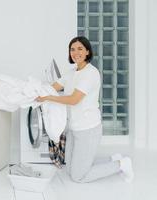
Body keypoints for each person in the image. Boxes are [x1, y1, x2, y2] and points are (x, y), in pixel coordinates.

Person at [36, 36, 134, 183]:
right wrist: (33, 91)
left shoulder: (91, 73)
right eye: (72, 49)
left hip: (88, 129)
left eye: (80, 49)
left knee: (78, 176)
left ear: (87, 51)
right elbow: (52, 87)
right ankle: (113, 159)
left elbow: (74, 100)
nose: (76, 53)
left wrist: (48, 98)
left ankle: (121, 164)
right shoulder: (71, 73)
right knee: (69, 168)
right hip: (74, 128)